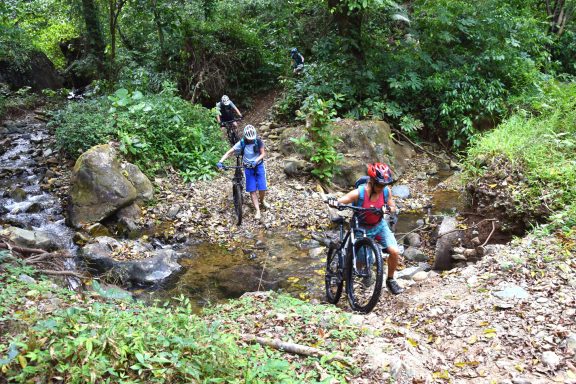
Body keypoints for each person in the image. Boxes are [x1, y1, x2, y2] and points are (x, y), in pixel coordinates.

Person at [328, 163, 404, 295]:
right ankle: (348, 275)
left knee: (394, 251)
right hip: (361, 228)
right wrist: (335, 202)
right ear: (372, 181)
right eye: (379, 184)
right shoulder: (359, 192)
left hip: (379, 226)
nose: (382, 188)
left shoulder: (386, 191)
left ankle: (390, 280)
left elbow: (393, 207)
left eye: (384, 185)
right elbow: (342, 200)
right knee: (362, 261)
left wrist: (388, 209)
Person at [217, 125, 269, 221]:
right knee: (252, 190)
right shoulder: (242, 143)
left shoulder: (258, 141)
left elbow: (263, 154)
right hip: (248, 168)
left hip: (258, 165)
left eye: (252, 139)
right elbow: (229, 152)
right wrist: (221, 161)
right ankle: (258, 210)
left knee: (262, 187)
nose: (251, 140)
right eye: (249, 139)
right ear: (245, 137)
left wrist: (256, 161)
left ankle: (262, 200)